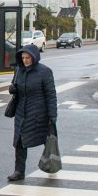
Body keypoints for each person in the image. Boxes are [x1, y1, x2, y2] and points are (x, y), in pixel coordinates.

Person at [7, 45, 57, 182]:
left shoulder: (45, 72)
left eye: (28, 58)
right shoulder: (18, 70)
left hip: (39, 112)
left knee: (46, 140)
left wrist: (52, 115)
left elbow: (51, 94)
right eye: (23, 58)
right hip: (21, 112)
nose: (25, 60)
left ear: (34, 57)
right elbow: (14, 85)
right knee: (19, 142)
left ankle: (51, 164)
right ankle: (19, 171)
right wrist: (12, 89)